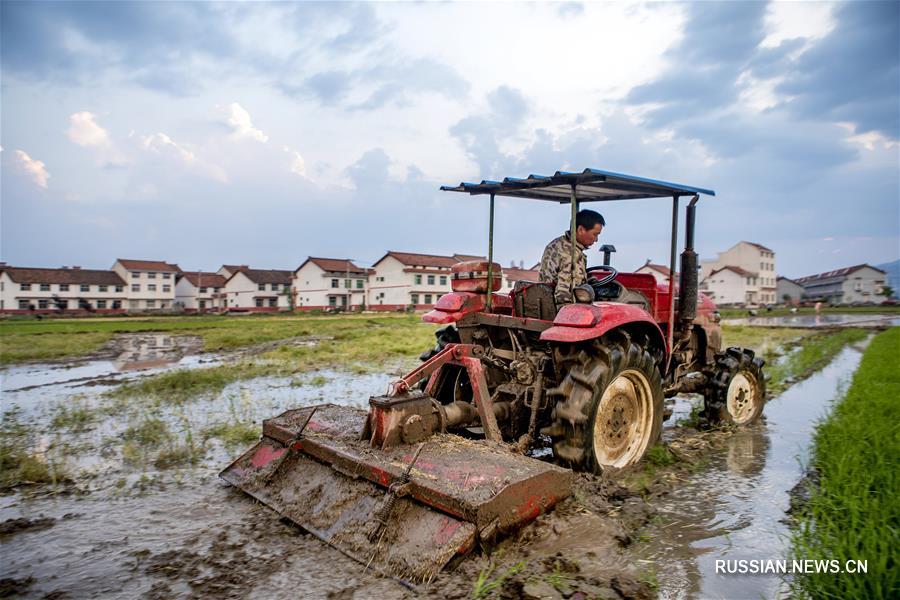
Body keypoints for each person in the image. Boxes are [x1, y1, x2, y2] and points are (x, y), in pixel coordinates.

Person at [539, 209, 605, 306]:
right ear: (581, 230)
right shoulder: (572, 255)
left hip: (545, 302)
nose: (596, 240)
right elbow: (564, 294)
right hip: (561, 310)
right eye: (595, 234)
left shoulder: (557, 243)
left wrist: (588, 280)